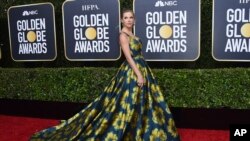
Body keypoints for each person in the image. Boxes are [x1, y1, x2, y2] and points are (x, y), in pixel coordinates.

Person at [30, 9, 180, 141]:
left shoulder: (132, 34)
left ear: (134, 20)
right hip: (133, 71)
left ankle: (142, 129)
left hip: (143, 68)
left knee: (144, 101)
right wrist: (139, 75)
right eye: (125, 17)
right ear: (122, 20)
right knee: (128, 102)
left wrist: (143, 72)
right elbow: (128, 57)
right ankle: (130, 130)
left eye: (130, 17)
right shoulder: (123, 36)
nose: (128, 20)